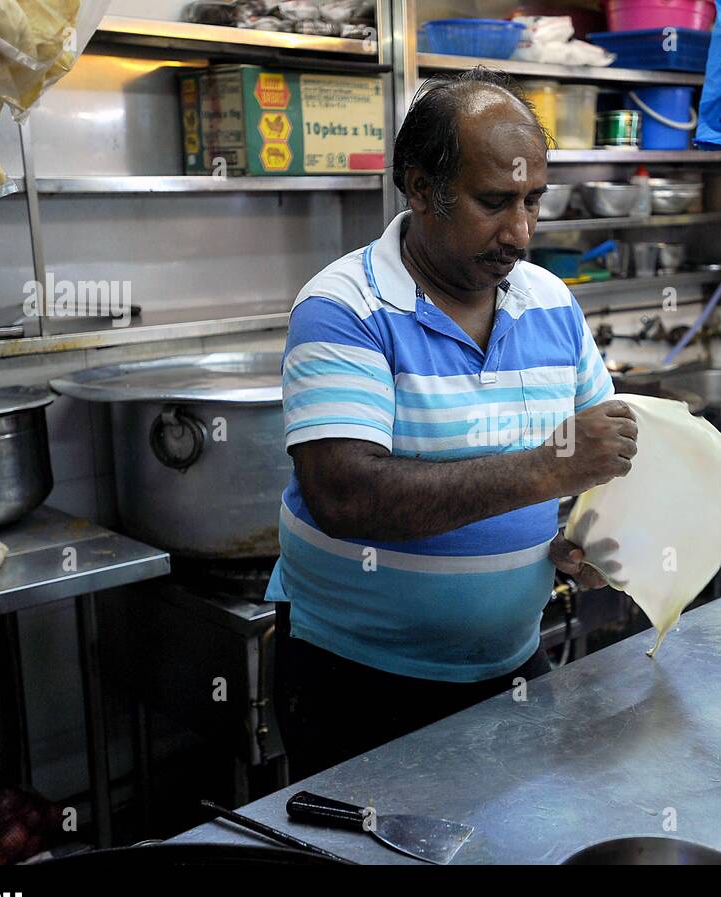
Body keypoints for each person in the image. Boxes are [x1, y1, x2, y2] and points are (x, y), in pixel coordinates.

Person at [265, 67, 638, 778]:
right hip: (357, 681)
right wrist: (550, 467)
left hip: (512, 665)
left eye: (534, 200)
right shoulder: (345, 307)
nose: (521, 232)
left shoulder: (550, 301)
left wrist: (598, 540)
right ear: (419, 188)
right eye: (494, 202)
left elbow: (611, 452)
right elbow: (345, 496)